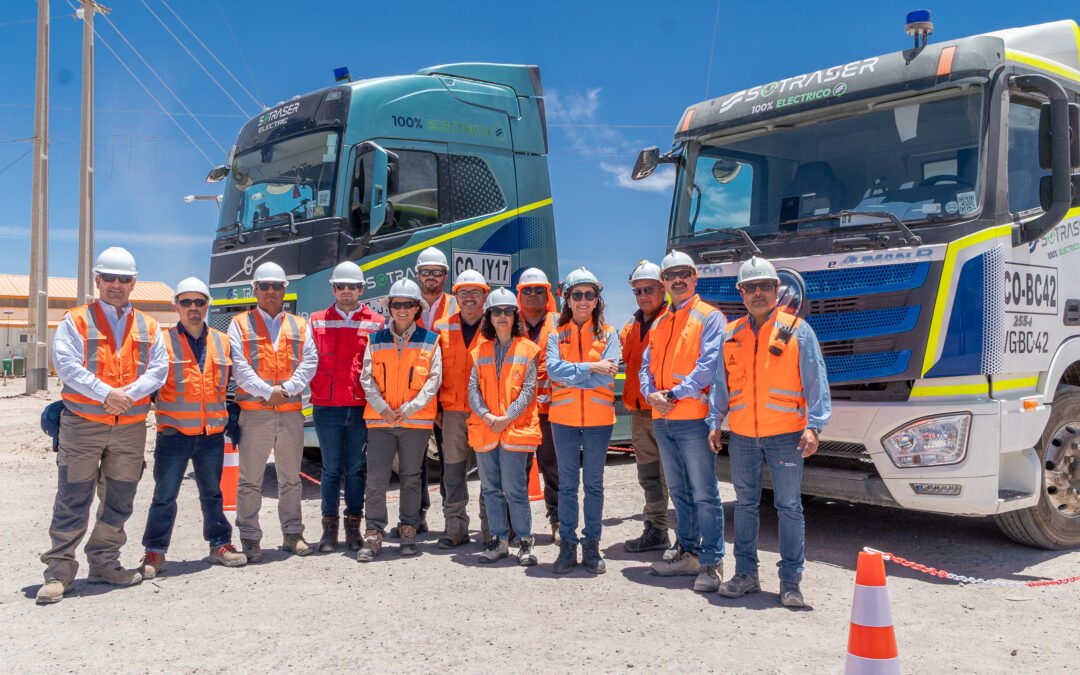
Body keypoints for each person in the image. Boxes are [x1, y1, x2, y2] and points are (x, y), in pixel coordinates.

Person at [38, 247, 169, 604]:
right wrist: (106, 393)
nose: (116, 284)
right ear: (97, 280)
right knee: (72, 497)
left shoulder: (149, 325)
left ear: (133, 283)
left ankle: (105, 564)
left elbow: (159, 369)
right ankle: (59, 573)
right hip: (83, 424)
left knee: (119, 499)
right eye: (109, 278)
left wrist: (126, 395)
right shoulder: (75, 320)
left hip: (129, 427)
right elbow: (65, 364)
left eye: (123, 279)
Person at [708, 257, 830, 608]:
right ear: (741, 293)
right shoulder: (731, 334)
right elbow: (721, 385)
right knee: (745, 505)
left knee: (789, 506)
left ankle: (790, 581)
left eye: (765, 286)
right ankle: (745, 575)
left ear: (778, 290)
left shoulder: (797, 330)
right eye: (750, 287)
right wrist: (715, 422)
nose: (758, 292)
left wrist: (814, 426)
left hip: (786, 435)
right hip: (744, 436)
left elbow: (815, 382)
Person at [138, 277, 247, 579]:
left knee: (212, 494)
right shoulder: (163, 340)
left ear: (207, 305)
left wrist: (233, 410)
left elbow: (233, 380)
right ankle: (155, 552)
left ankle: (220, 544)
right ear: (177, 306)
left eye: (199, 302)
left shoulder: (223, 341)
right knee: (164, 494)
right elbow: (148, 382)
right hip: (174, 433)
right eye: (186, 302)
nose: (193, 307)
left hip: (211, 434)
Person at [640, 250, 727, 593]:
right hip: (664, 420)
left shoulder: (710, 317)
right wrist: (652, 396)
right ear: (664, 282)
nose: (677, 279)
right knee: (679, 491)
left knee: (704, 493)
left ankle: (712, 561)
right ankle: (687, 551)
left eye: (684, 273)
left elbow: (708, 365)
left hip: (693, 419)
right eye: (670, 275)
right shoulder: (660, 322)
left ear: (695, 277)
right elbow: (645, 368)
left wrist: (672, 395)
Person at [229, 262, 318, 562]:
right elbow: (239, 368)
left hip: (291, 412)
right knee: (250, 480)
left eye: (276, 286)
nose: (270, 291)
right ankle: (250, 538)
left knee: (291, 479)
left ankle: (292, 534)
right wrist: (270, 392)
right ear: (255, 290)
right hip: (255, 414)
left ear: (284, 290)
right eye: (264, 286)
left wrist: (288, 389)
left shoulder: (300, 325)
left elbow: (310, 362)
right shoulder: (239, 324)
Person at [357, 279, 442, 561]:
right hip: (380, 422)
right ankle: (374, 533)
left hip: (414, 422)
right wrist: (381, 407)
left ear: (417, 308)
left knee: (411, 477)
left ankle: (408, 528)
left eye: (408, 304)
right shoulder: (375, 340)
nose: (402, 309)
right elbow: (366, 378)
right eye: (397, 304)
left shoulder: (431, 340)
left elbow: (433, 379)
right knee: (377, 478)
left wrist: (410, 407)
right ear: (390, 308)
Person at [546, 268, 620, 575]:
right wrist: (592, 366)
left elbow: (608, 377)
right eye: (577, 295)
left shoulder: (609, 334)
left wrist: (572, 375)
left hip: (599, 421)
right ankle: (567, 544)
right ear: (567, 299)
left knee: (593, 485)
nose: (583, 300)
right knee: (566, 485)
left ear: (597, 299)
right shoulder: (555, 335)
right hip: (562, 420)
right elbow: (552, 371)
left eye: (589, 295)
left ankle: (592, 544)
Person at [309, 262, 385, 552]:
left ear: (361, 289)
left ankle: (354, 526)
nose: (346, 291)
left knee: (355, 469)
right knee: (329, 470)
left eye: (352, 286)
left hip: (359, 408)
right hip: (326, 408)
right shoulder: (316, 321)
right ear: (333, 289)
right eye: (340, 286)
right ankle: (329, 530)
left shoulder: (377, 322)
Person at [467, 288, 540, 565]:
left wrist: (506, 418)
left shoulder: (528, 350)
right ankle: (498, 542)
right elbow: (473, 389)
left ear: (514, 315)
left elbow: (528, 390)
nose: (501, 316)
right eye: (496, 312)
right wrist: (488, 416)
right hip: (486, 430)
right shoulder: (479, 352)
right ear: (489, 316)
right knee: (490, 490)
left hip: (514, 430)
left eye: (507, 312)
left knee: (515, 490)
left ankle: (525, 542)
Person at [619, 261, 676, 557]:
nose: (643, 295)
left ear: (663, 288)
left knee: (675, 475)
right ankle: (656, 530)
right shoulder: (630, 326)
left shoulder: (673, 319)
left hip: (668, 411)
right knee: (649, 475)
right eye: (638, 290)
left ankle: (687, 539)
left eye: (649, 289)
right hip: (640, 413)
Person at [433, 269, 489, 548]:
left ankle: (491, 527)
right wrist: (437, 409)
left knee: (489, 471)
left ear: (484, 295)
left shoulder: (495, 325)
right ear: (455, 296)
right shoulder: (442, 327)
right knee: (453, 470)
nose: (468, 298)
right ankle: (455, 526)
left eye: (474, 292)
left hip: (485, 411)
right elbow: (433, 372)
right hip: (452, 411)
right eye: (462, 293)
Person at [411, 246, 456, 536]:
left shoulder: (456, 304)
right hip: (415, 394)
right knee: (414, 462)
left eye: (437, 273)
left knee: (450, 461)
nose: (431, 278)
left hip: (448, 395)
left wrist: (442, 403)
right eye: (426, 272)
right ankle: (417, 516)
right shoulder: (406, 303)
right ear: (417, 275)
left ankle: (453, 521)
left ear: (445, 276)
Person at [516, 267, 561, 542]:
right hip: (518, 413)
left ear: (548, 294)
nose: (533, 294)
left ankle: (558, 521)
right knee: (516, 473)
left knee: (554, 471)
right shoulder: (507, 321)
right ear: (519, 295)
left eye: (538, 290)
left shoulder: (559, 323)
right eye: (527, 290)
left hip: (551, 413)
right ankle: (518, 526)